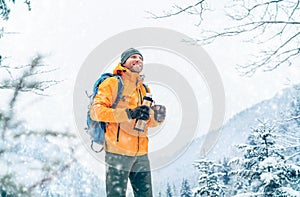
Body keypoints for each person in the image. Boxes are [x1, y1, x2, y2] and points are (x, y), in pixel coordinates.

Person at [90, 48, 166, 197]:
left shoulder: (144, 89)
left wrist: (157, 117)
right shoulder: (112, 83)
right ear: (124, 62)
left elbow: (147, 121)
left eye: (140, 58)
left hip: (141, 154)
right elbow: (96, 112)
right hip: (117, 152)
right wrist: (129, 113)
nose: (138, 60)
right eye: (133, 57)